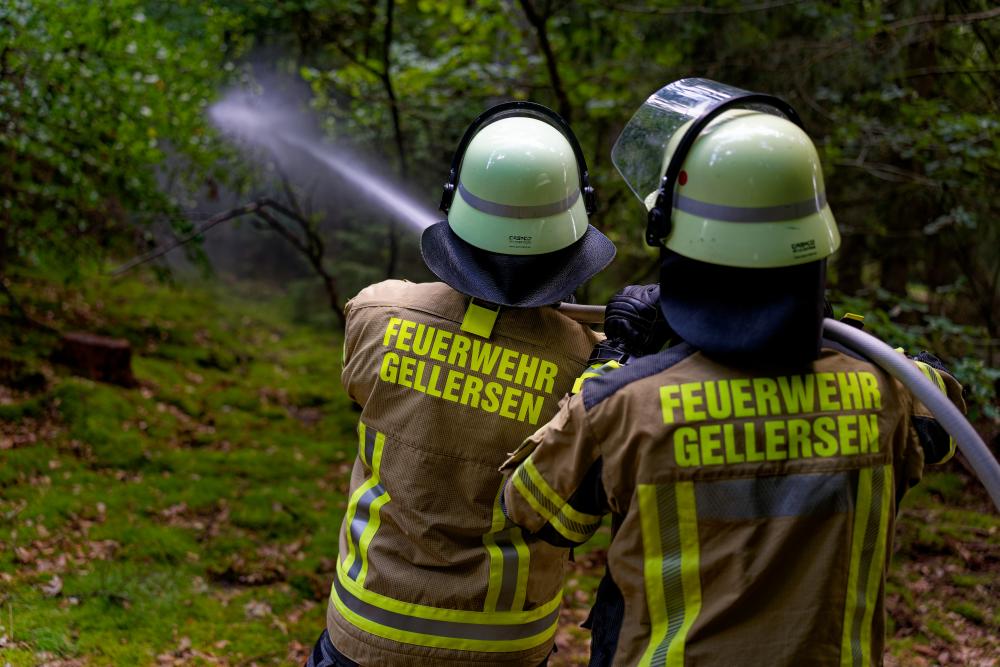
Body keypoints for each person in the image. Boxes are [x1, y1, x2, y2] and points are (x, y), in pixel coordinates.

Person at [501, 79, 965, 666]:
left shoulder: (623, 405)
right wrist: (828, 326)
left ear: (674, 233)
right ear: (813, 240)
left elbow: (534, 510)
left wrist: (615, 357)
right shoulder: (889, 395)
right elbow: (944, 409)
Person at [306, 101, 617, 667]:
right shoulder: (589, 367)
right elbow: (575, 519)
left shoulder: (378, 314)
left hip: (365, 629)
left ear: (456, 201)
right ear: (578, 221)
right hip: (503, 646)